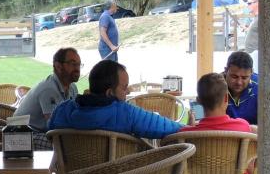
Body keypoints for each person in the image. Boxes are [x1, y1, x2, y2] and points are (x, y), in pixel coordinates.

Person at [180, 72, 253, 174]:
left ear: (198, 101)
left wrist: (191, 126)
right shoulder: (242, 127)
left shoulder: (185, 134)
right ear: (226, 98)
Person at [48, 59, 182, 138]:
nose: (128, 91)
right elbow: (165, 127)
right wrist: (189, 127)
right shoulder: (126, 112)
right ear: (109, 93)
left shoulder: (62, 110)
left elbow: (50, 133)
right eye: (124, 88)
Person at [14, 47, 81, 149]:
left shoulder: (72, 87)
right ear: (58, 66)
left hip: (42, 132)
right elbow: (55, 126)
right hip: (22, 136)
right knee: (66, 147)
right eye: (73, 64)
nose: (77, 69)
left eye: (79, 64)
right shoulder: (49, 89)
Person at [224, 51, 257, 125]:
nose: (239, 82)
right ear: (226, 70)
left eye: (244, 78)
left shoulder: (262, 87)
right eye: (234, 77)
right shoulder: (214, 86)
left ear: (251, 73)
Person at [243, 0, 259, 73]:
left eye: (249, 3)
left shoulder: (262, 18)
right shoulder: (256, 18)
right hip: (251, 54)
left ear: (258, 3)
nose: (247, 6)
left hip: (256, 54)